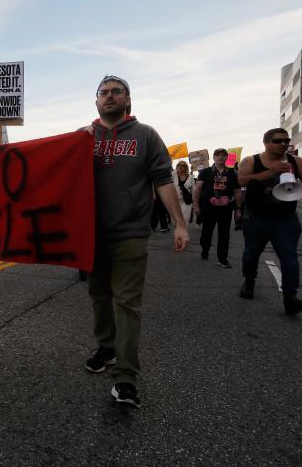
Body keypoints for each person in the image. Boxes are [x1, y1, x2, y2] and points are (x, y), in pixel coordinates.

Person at [81, 75, 189, 409]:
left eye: (116, 92)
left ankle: (125, 379)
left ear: (128, 100)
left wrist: (179, 223)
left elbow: (162, 180)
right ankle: (107, 347)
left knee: (127, 303)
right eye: (103, 92)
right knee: (99, 295)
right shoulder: (82, 137)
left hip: (130, 234)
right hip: (92, 235)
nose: (109, 96)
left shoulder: (146, 135)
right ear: (96, 101)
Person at [238, 128, 302, 315]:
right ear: (266, 142)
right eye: (278, 141)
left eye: (286, 140)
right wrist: (270, 172)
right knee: (251, 254)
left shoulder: (295, 161)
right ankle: (249, 282)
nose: (283, 144)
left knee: (289, 257)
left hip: (285, 219)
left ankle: (290, 297)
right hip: (256, 218)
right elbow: (241, 181)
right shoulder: (251, 161)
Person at [193, 148, 242, 268]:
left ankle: (222, 258)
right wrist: (196, 205)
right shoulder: (205, 172)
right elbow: (198, 189)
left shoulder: (232, 173)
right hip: (208, 208)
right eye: (217, 155)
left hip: (225, 209)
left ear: (226, 157)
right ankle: (205, 249)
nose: (220, 157)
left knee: (224, 234)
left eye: (223, 155)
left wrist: (238, 209)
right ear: (214, 158)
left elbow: (237, 191)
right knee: (206, 232)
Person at [172, 160, 195, 224]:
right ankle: (179, 232)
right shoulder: (173, 175)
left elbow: (193, 191)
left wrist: (195, 204)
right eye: (179, 165)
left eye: (183, 165)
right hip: (175, 201)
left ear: (186, 167)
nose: (180, 166)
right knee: (176, 221)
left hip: (186, 201)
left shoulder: (191, 177)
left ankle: (183, 232)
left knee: (184, 220)